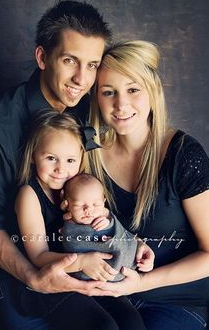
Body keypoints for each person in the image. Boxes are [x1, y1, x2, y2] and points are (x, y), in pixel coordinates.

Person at [0, 0, 111, 329]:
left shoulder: (87, 109)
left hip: (78, 254)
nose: (82, 78)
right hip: (14, 272)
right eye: (70, 61)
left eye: (92, 65)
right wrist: (35, 278)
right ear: (42, 58)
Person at [87, 40, 209, 330]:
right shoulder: (88, 154)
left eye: (133, 89)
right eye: (108, 92)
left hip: (175, 301)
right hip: (108, 297)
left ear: (152, 92)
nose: (121, 104)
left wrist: (141, 282)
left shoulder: (183, 153)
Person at [14, 110, 147, 330]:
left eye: (70, 160)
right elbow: (38, 257)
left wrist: (137, 244)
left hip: (88, 275)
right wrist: (82, 261)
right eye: (50, 158)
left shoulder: (83, 188)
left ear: (81, 159)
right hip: (50, 283)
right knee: (102, 325)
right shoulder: (29, 195)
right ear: (32, 155)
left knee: (132, 322)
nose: (61, 169)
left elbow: (107, 229)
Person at [62, 173, 154, 281]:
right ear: (67, 205)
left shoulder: (105, 216)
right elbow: (71, 245)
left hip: (128, 268)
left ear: (103, 202)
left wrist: (108, 223)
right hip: (92, 276)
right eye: (79, 205)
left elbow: (120, 232)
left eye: (95, 204)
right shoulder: (69, 224)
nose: (88, 210)